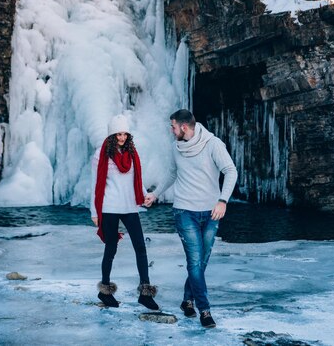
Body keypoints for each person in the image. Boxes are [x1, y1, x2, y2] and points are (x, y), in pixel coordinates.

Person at [144, 109, 237, 328]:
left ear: (184, 127)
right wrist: (155, 194)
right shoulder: (176, 148)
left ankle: (187, 299)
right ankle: (205, 310)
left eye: (173, 126)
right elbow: (172, 174)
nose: (171, 130)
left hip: (211, 212)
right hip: (184, 211)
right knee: (194, 262)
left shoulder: (213, 144)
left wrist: (223, 200)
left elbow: (230, 171)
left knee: (201, 262)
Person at [90, 114, 159, 310]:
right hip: (109, 207)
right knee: (111, 248)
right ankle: (105, 291)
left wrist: (145, 195)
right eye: (118, 134)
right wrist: (94, 212)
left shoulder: (132, 153)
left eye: (125, 134)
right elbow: (95, 185)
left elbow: (136, 179)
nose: (122, 138)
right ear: (112, 135)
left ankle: (145, 294)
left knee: (140, 248)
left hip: (130, 206)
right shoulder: (100, 155)